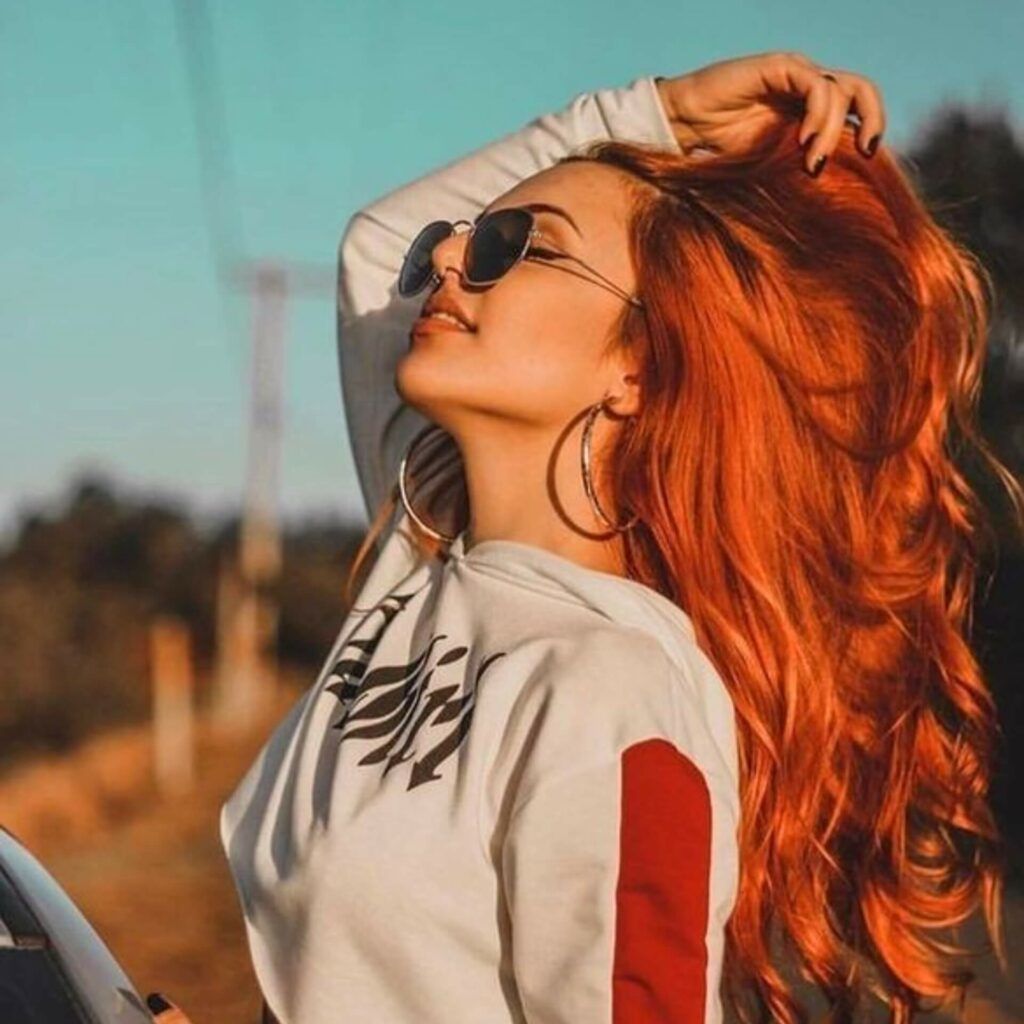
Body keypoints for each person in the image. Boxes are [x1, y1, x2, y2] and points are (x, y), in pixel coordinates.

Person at [150, 50, 1021, 1024]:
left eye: (517, 245)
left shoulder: (614, 696)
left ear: (640, 365)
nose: (446, 257)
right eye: (467, 238)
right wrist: (654, 113)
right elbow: (378, 244)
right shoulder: (427, 538)